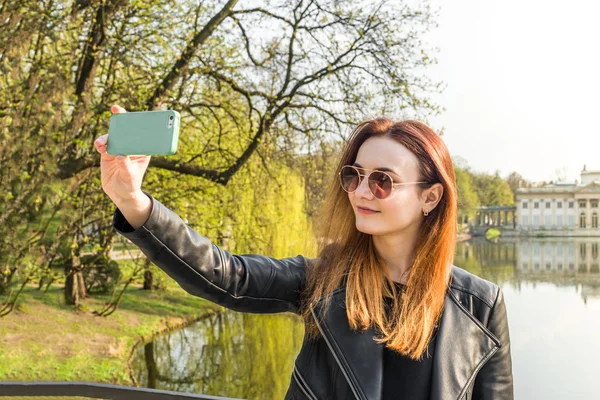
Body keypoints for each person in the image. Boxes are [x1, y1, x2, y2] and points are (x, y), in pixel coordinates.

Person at [94, 105, 514, 400]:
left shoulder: (480, 306)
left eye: (383, 181)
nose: (362, 192)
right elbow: (226, 275)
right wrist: (133, 202)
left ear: (431, 197)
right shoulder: (325, 280)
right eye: (355, 176)